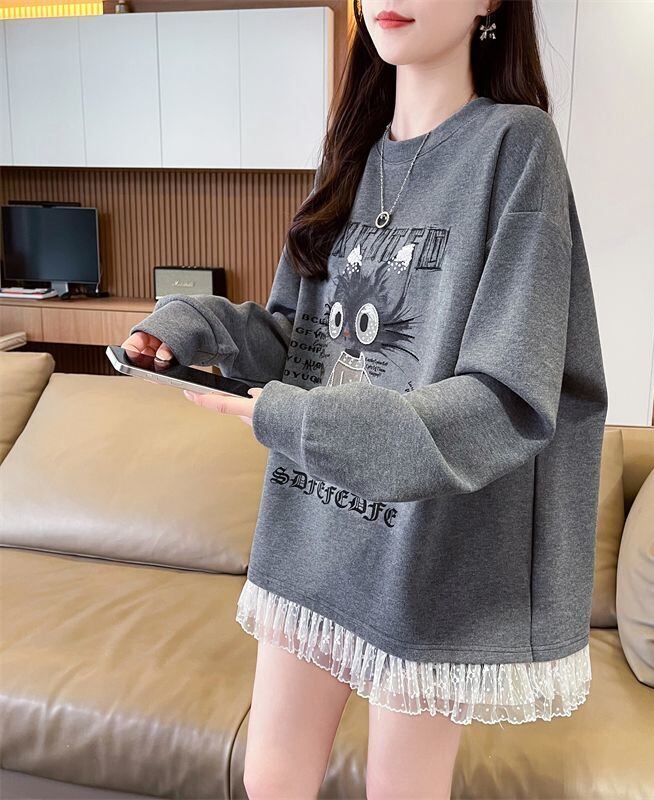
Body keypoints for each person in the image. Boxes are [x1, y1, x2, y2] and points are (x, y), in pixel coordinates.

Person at [122, 0, 608, 796]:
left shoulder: (515, 146)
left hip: (425, 547)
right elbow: (302, 342)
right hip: (311, 526)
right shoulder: (349, 154)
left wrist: (298, 418)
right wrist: (196, 325)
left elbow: (508, 395)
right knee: (271, 781)